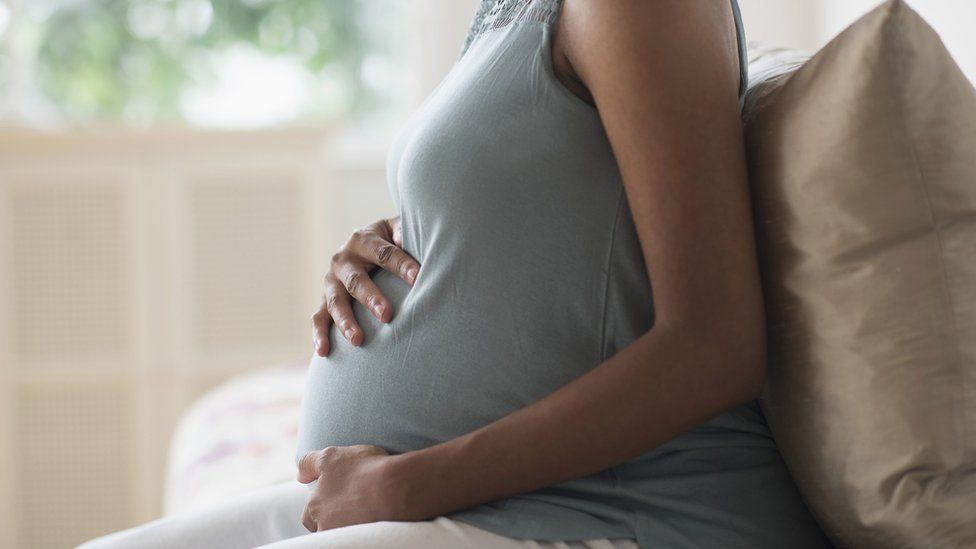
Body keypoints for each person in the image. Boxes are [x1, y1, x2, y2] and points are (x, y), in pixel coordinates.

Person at [80, 0, 833, 547]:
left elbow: (716, 343)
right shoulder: (508, 13)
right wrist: (395, 243)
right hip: (488, 498)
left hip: (614, 513)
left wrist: (408, 484)